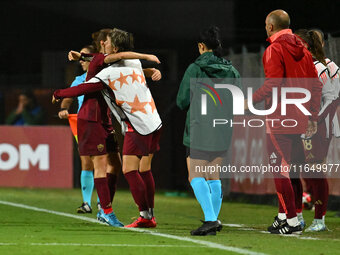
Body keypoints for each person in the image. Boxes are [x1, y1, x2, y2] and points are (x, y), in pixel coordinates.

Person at [52, 28, 161, 227]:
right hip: (92, 120)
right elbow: (82, 87)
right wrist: (59, 93)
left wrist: (150, 69)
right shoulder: (106, 69)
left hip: (108, 120)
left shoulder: (114, 63)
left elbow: (122, 60)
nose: (104, 44)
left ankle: (113, 210)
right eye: (103, 41)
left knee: (116, 165)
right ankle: (108, 211)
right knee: (102, 166)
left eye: (106, 41)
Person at [247, 10, 322, 235]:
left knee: (280, 171)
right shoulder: (305, 51)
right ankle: (287, 215)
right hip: (299, 117)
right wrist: (312, 115)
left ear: (270, 27)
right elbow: (316, 86)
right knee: (294, 169)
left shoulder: (274, 49)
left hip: (279, 118)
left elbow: (273, 84)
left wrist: (248, 102)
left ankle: (291, 221)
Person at [177, 26, 240, 236]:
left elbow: (182, 100)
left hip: (199, 127)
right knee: (214, 175)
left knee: (195, 175)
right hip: (222, 127)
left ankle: (211, 220)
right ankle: (212, 220)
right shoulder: (232, 70)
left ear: (201, 46)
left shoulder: (195, 68)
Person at [295, 29, 340, 232]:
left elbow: (332, 98)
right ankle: (300, 215)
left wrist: (316, 120)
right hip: (301, 124)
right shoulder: (300, 65)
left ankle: (319, 218)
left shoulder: (328, 67)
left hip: (321, 125)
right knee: (302, 169)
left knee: (315, 169)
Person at [58, 44, 97, 214]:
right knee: (87, 162)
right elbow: (67, 97)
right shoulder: (79, 80)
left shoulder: (104, 77)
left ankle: (104, 203)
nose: (81, 62)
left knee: (105, 164)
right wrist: (63, 109)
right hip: (84, 124)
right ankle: (87, 203)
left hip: (102, 123)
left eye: (84, 58)